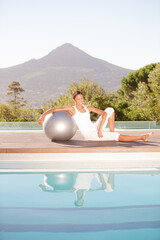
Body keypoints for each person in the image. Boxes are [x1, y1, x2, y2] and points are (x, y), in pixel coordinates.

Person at [38, 90, 153, 142]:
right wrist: (42, 116)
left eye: (82, 98)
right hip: (89, 134)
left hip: (94, 129)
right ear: (74, 100)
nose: (81, 100)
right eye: (78, 99)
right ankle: (142, 137)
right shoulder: (71, 109)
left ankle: (111, 131)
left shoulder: (88, 107)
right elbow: (54, 109)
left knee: (110, 109)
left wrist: (100, 130)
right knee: (116, 136)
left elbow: (104, 113)